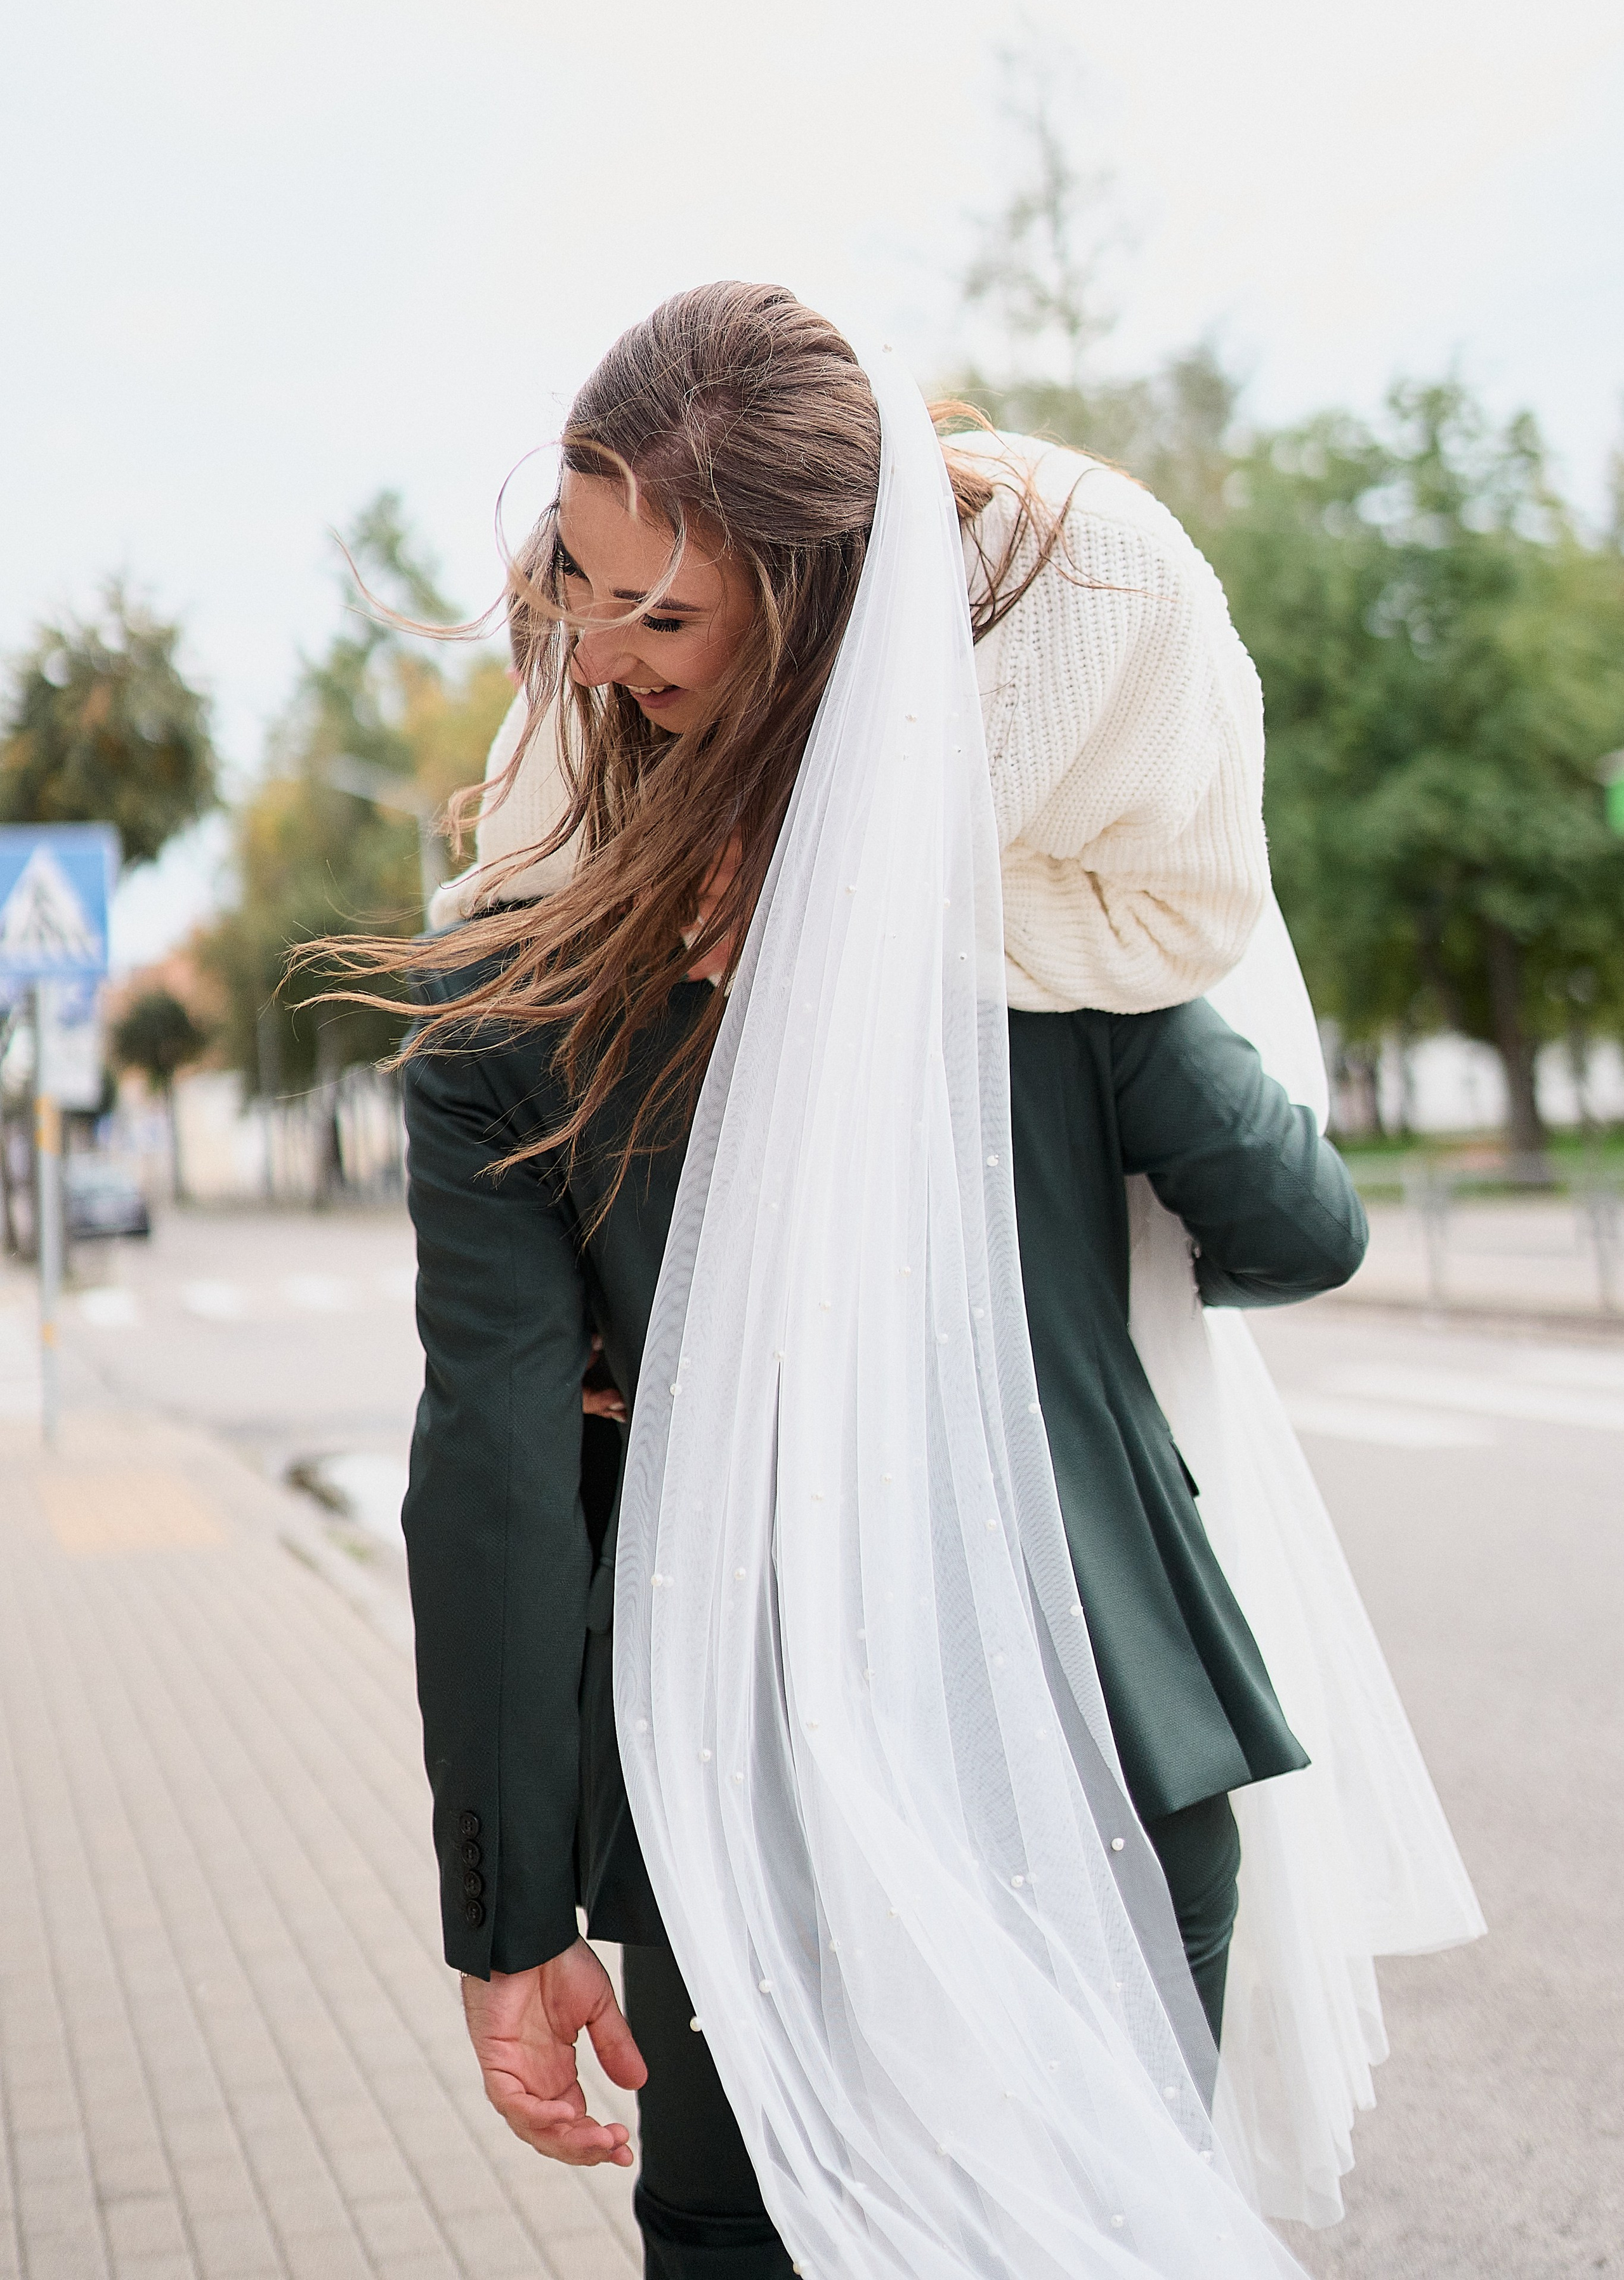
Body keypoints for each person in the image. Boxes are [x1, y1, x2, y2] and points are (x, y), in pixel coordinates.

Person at [337, 284, 1462, 2277]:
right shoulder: (1040, 949)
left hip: (738, 1792)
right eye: (576, 588)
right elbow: (1303, 1230)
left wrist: (508, 1924)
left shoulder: (513, 1004)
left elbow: (503, 1477)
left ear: (809, 604)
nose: (598, 655)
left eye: (663, 619)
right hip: (1109, 1742)